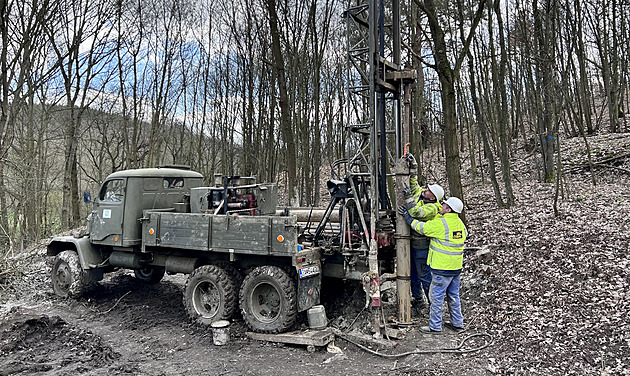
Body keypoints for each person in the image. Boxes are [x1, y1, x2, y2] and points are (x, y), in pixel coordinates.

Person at [398, 196, 467, 334]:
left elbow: (422, 228)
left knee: (436, 297)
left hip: (442, 268)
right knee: (454, 296)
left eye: (444, 205)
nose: (441, 205)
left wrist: (408, 217)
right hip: (455, 268)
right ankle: (457, 323)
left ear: (448, 209)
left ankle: (435, 326)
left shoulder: (441, 224)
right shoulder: (460, 224)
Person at [401, 154, 444, 309]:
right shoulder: (421, 195)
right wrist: (413, 166)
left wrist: (407, 200)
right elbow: (414, 184)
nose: (426, 190)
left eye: (429, 191)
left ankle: (434, 306)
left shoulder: (432, 208)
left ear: (433, 198)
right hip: (412, 244)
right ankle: (418, 299)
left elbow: (415, 212)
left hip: (422, 247)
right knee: (412, 274)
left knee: (424, 276)